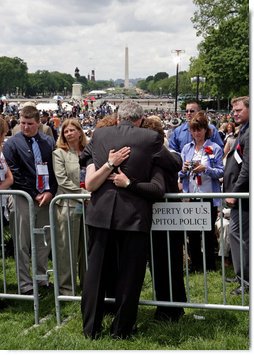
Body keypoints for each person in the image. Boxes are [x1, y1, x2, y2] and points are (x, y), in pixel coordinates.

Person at [79, 101, 177, 339]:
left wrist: (106, 162)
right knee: (130, 275)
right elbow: (175, 164)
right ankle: (121, 330)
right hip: (133, 215)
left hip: (100, 212)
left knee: (96, 274)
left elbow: (84, 157)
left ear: (117, 117)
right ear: (140, 120)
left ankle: (91, 328)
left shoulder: (100, 133)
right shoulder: (150, 139)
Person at [113, 115, 186, 322]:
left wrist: (130, 184)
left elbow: (159, 187)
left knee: (165, 264)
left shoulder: (160, 159)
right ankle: (171, 306)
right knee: (164, 264)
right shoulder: (161, 157)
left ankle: (169, 309)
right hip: (160, 216)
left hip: (164, 216)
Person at [3, 105, 57, 295]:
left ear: (38, 123)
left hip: (46, 197)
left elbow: (53, 170)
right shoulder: (12, 144)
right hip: (22, 197)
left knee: (44, 240)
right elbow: (14, 173)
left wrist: (50, 192)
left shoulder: (48, 142)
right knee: (22, 241)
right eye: (22, 123)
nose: (25, 127)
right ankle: (25, 283)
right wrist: (33, 193)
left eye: (30, 124)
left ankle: (41, 278)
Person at [179, 111, 224, 272]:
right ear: (190, 131)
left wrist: (206, 169)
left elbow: (221, 172)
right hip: (191, 195)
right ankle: (195, 264)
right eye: (194, 130)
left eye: (200, 129)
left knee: (208, 232)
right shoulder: (186, 148)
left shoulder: (214, 148)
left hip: (208, 196)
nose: (197, 133)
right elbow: (181, 174)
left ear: (206, 130)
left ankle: (210, 265)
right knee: (192, 233)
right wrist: (183, 170)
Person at [52, 119, 88, 295]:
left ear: (80, 132)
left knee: (86, 246)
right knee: (67, 247)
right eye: (66, 131)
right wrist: (83, 194)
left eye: (73, 130)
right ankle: (67, 287)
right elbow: (62, 179)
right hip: (69, 204)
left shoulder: (89, 152)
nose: (69, 133)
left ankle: (87, 282)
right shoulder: (59, 153)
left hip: (89, 205)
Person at [223, 96, 249, 295]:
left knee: (239, 235)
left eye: (239, 109)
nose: (235, 113)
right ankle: (242, 274)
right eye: (234, 110)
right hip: (239, 194)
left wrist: (235, 191)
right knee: (237, 235)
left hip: (243, 196)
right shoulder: (245, 130)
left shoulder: (249, 133)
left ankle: (246, 280)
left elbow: (248, 168)